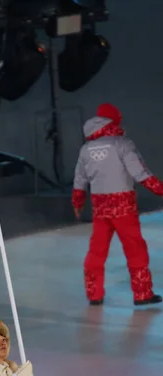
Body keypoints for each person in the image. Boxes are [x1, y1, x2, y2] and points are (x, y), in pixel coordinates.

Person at [72, 103, 163, 306]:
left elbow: (79, 181)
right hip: (124, 207)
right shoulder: (122, 144)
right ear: (114, 121)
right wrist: (160, 189)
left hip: (100, 207)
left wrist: (77, 203)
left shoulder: (86, 150)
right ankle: (142, 294)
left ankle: (94, 295)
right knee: (135, 248)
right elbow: (141, 174)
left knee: (97, 251)